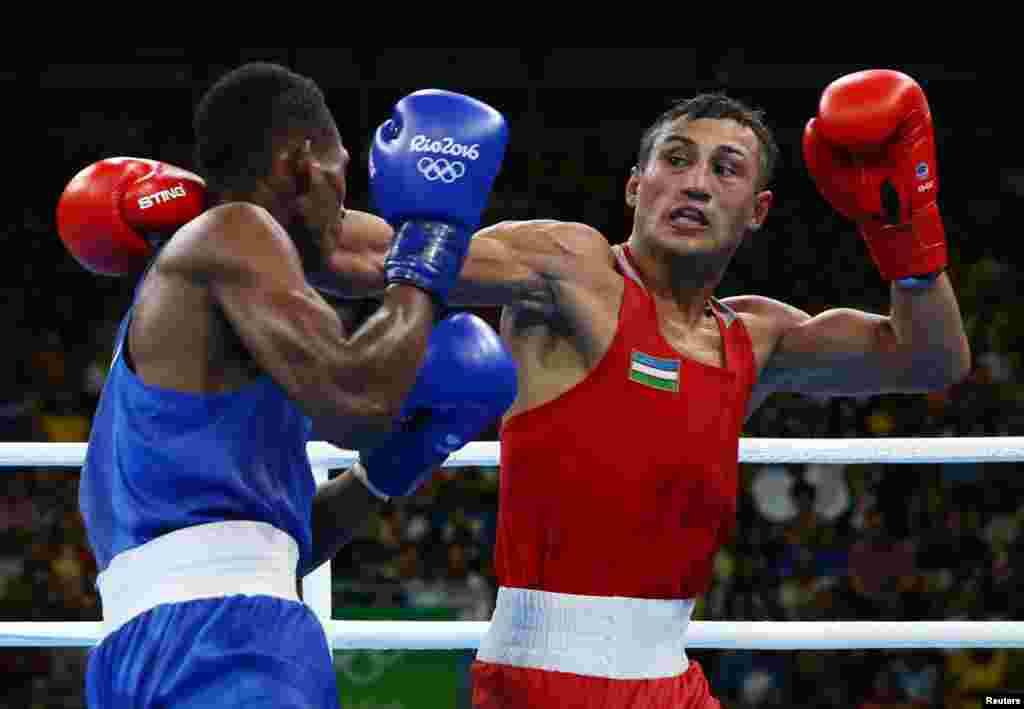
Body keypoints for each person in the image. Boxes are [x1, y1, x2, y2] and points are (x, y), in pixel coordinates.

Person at [309, 68, 971, 707]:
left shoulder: (757, 337)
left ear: (758, 210)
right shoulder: (570, 270)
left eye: (726, 168)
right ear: (635, 186)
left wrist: (902, 228)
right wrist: (241, 209)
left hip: (671, 680)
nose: (697, 184)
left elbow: (928, 359)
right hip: (542, 682)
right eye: (676, 160)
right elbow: (369, 254)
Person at [55, 62, 518, 708]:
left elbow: (271, 548)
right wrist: (428, 249)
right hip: (230, 642)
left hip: (146, 650)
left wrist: (385, 471)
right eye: (341, 173)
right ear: (302, 161)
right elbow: (357, 403)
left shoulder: (205, 309)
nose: (342, 204)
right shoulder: (233, 231)